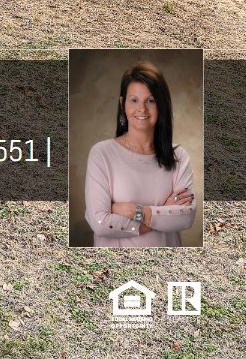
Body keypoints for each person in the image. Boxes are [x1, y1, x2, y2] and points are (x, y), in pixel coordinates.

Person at [84, 61, 196, 247]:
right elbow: (100, 223)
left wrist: (136, 211)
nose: (142, 109)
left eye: (150, 100)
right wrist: (162, 213)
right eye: (134, 100)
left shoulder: (179, 157)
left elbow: (186, 218)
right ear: (123, 104)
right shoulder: (102, 154)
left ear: (161, 105)